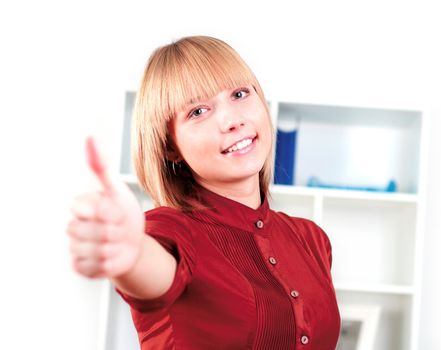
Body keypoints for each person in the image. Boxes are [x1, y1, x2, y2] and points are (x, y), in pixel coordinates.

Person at [67, 36, 341, 349]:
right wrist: (128, 253)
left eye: (239, 94)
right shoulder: (170, 231)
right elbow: (153, 268)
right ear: (171, 148)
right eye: (198, 111)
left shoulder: (311, 240)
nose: (232, 120)